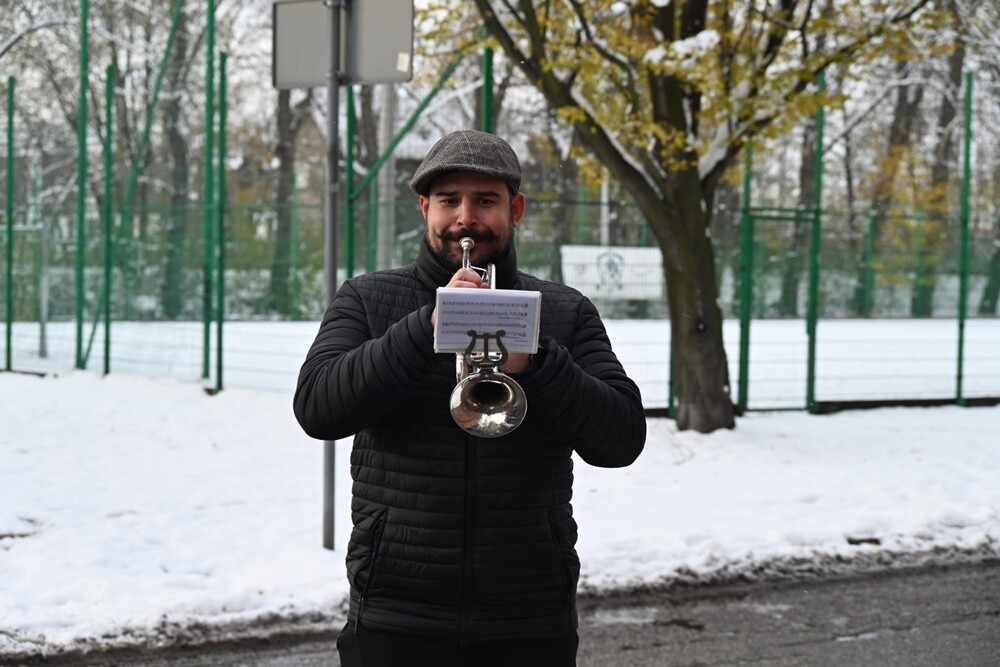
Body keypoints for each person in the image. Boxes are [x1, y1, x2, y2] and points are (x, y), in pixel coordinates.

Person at [293, 129, 646, 666]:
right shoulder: (368, 299)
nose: (465, 218)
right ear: (424, 208)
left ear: (516, 209)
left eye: (485, 200)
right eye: (448, 201)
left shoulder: (565, 310)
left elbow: (621, 438)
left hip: (530, 615)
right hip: (396, 611)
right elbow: (318, 407)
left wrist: (539, 363)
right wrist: (425, 328)